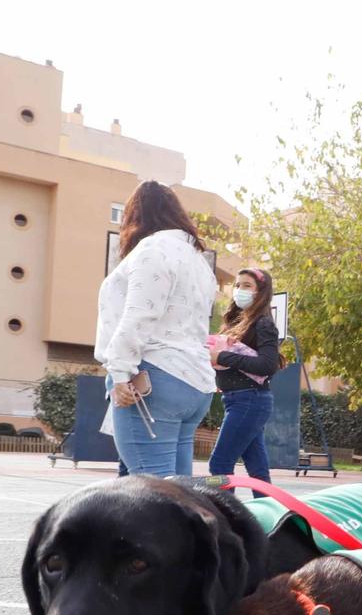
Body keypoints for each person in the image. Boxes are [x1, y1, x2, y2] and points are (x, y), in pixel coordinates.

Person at [94, 181, 219, 478]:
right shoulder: (198, 260)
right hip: (193, 381)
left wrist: (121, 372)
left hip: (154, 378)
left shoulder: (152, 250)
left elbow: (139, 315)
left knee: (156, 494)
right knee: (178, 492)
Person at [206, 267, 281, 481]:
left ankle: (225, 514)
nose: (240, 290)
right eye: (237, 285)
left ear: (261, 292)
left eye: (247, 285)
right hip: (240, 400)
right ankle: (272, 511)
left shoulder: (263, 323)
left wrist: (221, 357)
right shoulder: (238, 322)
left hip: (249, 399)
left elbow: (267, 365)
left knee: (220, 463)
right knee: (257, 469)